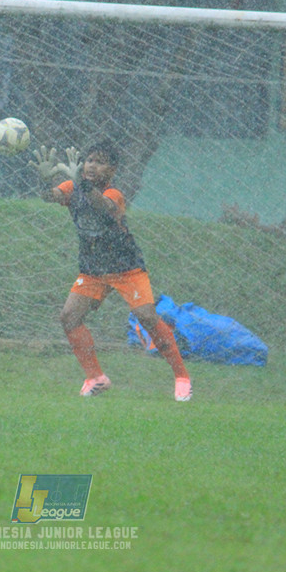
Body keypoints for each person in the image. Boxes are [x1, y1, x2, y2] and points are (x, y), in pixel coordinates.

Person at [30, 141, 192, 402]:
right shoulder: (73, 186)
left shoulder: (113, 193)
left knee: (146, 316)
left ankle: (182, 377)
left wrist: (82, 185)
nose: (92, 165)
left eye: (100, 161)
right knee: (69, 317)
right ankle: (96, 378)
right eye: (90, 160)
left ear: (112, 170)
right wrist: (43, 178)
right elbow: (49, 196)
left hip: (125, 267)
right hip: (94, 268)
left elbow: (103, 207)